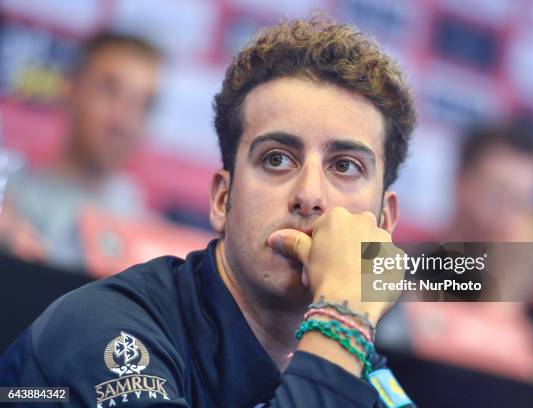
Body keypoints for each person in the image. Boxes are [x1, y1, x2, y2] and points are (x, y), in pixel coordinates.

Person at [0, 17, 418, 407]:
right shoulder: (103, 330)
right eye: (277, 159)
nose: (309, 195)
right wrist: (340, 321)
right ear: (222, 199)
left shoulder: (362, 370)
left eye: (345, 166)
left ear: (383, 225)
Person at [403, 123, 533, 381]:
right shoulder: (402, 269)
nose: (513, 219)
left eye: (525, 202)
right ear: (461, 182)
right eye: (500, 196)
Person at [1, 32, 161, 270]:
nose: (125, 121)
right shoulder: (10, 204)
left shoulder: (153, 244)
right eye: (110, 92)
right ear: (72, 89)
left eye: (143, 104)